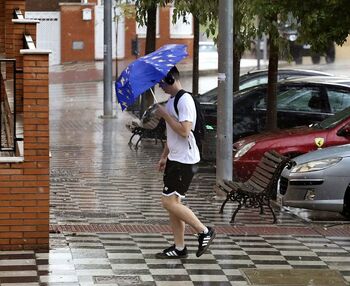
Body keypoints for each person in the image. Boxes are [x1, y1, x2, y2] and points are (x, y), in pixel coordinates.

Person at [154, 66, 215, 259]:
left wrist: (165, 116)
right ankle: (179, 248)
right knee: (174, 203)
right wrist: (165, 155)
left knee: (168, 202)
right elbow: (171, 134)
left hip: (185, 161)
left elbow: (184, 130)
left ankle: (204, 231)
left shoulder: (185, 100)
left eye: (162, 82)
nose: (160, 86)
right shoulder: (172, 101)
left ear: (171, 79)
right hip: (175, 158)